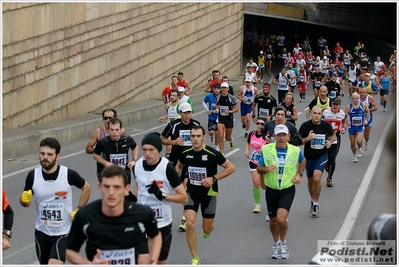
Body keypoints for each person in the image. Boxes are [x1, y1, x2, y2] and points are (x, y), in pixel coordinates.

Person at [66, 165, 162, 265]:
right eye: (106, 187)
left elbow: (155, 235)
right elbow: (70, 251)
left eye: (117, 187)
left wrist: (153, 260)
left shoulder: (142, 213)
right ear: (100, 187)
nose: (111, 193)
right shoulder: (85, 215)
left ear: (126, 189)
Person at [20, 137, 91, 264]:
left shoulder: (68, 174)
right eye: (42, 154)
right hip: (41, 233)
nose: (45, 157)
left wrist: (80, 209)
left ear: (57, 156)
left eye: (49, 154)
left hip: (63, 233)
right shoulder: (33, 176)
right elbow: (26, 203)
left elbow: (86, 187)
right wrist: (24, 201)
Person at [175, 125, 235, 265]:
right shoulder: (186, 153)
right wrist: (179, 181)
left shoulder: (212, 153)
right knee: (189, 224)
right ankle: (195, 257)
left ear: (204, 137)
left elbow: (231, 167)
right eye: (193, 136)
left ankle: (207, 230)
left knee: (206, 229)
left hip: (209, 193)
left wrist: (213, 178)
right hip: (191, 192)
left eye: (198, 136)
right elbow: (179, 165)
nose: (195, 139)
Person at [133, 132, 188, 264]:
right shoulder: (138, 166)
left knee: (159, 262)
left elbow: (184, 198)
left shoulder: (167, 168)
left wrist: (162, 195)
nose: (147, 153)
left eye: (151, 150)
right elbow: (138, 187)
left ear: (158, 150)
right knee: (142, 260)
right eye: (144, 150)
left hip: (162, 222)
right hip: (142, 221)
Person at [257, 124, 305, 259]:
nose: (282, 138)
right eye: (279, 135)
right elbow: (259, 168)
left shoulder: (295, 151)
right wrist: (266, 170)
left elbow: (303, 161)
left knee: (281, 219)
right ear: (274, 137)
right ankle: (276, 244)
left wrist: (299, 174)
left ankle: (283, 243)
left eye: (284, 135)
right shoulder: (266, 150)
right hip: (271, 190)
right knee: (273, 222)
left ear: (289, 137)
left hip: (287, 189)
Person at [161, 102, 200, 230]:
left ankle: (184, 217)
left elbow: (201, 140)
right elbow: (162, 139)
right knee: (174, 189)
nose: (187, 115)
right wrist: (173, 142)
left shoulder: (196, 125)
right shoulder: (173, 125)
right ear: (180, 114)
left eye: (189, 112)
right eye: (185, 113)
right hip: (175, 160)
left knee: (186, 188)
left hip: (190, 161)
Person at [299, 106, 335, 217]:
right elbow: (299, 142)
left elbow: (332, 134)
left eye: (319, 113)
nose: (316, 115)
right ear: (311, 113)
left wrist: (329, 142)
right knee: (310, 181)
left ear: (321, 115)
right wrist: (308, 138)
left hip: (322, 156)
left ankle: (316, 203)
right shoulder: (305, 126)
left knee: (316, 178)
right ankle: (312, 199)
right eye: (314, 113)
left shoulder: (326, 126)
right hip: (309, 157)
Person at [93, 117, 138, 184]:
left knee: (125, 193)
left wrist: (134, 160)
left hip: (124, 173)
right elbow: (95, 155)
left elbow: (135, 147)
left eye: (117, 130)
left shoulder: (127, 139)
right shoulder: (103, 142)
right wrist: (106, 163)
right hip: (110, 174)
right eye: (112, 130)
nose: (114, 132)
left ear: (120, 129)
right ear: (108, 129)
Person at [86, 109, 127, 177]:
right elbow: (88, 149)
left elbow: (128, 146)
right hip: (103, 166)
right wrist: (99, 150)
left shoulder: (122, 131)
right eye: (105, 118)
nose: (108, 120)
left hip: (117, 165)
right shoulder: (98, 132)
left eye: (110, 118)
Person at [244, 118, 268, 213]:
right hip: (254, 162)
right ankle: (257, 205)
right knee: (256, 183)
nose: (259, 125)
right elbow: (248, 142)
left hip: (265, 164)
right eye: (258, 123)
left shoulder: (267, 136)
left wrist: (264, 150)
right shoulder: (252, 134)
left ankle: (270, 203)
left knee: (264, 186)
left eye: (262, 124)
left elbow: (273, 147)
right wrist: (247, 150)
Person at [322, 99, 347, 187]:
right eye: (334, 104)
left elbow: (344, 122)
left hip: (336, 138)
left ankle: (329, 179)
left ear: (340, 105)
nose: (335, 106)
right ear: (331, 104)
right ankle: (327, 165)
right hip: (325, 138)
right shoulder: (325, 112)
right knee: (325, 158)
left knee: (332, 158)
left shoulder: (342, 113)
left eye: (337, 104)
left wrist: (344, 128)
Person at [344, 92, 370, 163]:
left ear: (358, 98)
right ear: (351, 99)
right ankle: (355, 155)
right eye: (354, 98)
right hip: (352, 127)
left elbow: (368, 111)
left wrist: (366, 119)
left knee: (359, 141)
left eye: (356, 98)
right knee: (352, 143)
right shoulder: (348, 107)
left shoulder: (363, 105)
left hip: (360, 127)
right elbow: (344, 117)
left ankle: (360, 148)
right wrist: (347, 122)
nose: (355, 100)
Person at [215, 82, 239, 154]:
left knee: (227, 138)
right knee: (221, 135)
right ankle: (222, 153)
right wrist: (217, 109)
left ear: (228, 89)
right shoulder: (218, 97)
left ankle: (231, 139)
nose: (224, 89)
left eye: (225, 88)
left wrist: (229, 111)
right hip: (221, 118)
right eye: (222, 88)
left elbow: (237, 108)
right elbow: (217, 105)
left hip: (229, 118)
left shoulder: (231, 97)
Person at [358, 87, 378, 152]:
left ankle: (367, 141)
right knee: (359, 136)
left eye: (363, 92)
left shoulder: (369, 98)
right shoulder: (357, 98)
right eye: (360, 92)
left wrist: (368, 110)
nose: (362, 94)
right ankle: (360, 150)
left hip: (368, 118)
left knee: (366, 136)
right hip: (359, 118)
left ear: (366, 92)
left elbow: (376, 108)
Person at [203, 83, 221, 149]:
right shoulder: (209, 96)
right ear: (213, 89)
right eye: (215, 89)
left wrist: (219, 110)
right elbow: (203, 102)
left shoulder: (222, 96)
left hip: (219, 118)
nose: (216, 90)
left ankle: (216, 146)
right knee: (211, 132)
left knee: (217, 133)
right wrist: (207, 110)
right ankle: (211, 136)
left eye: (218, 89)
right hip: (212, 116)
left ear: (220, 90)